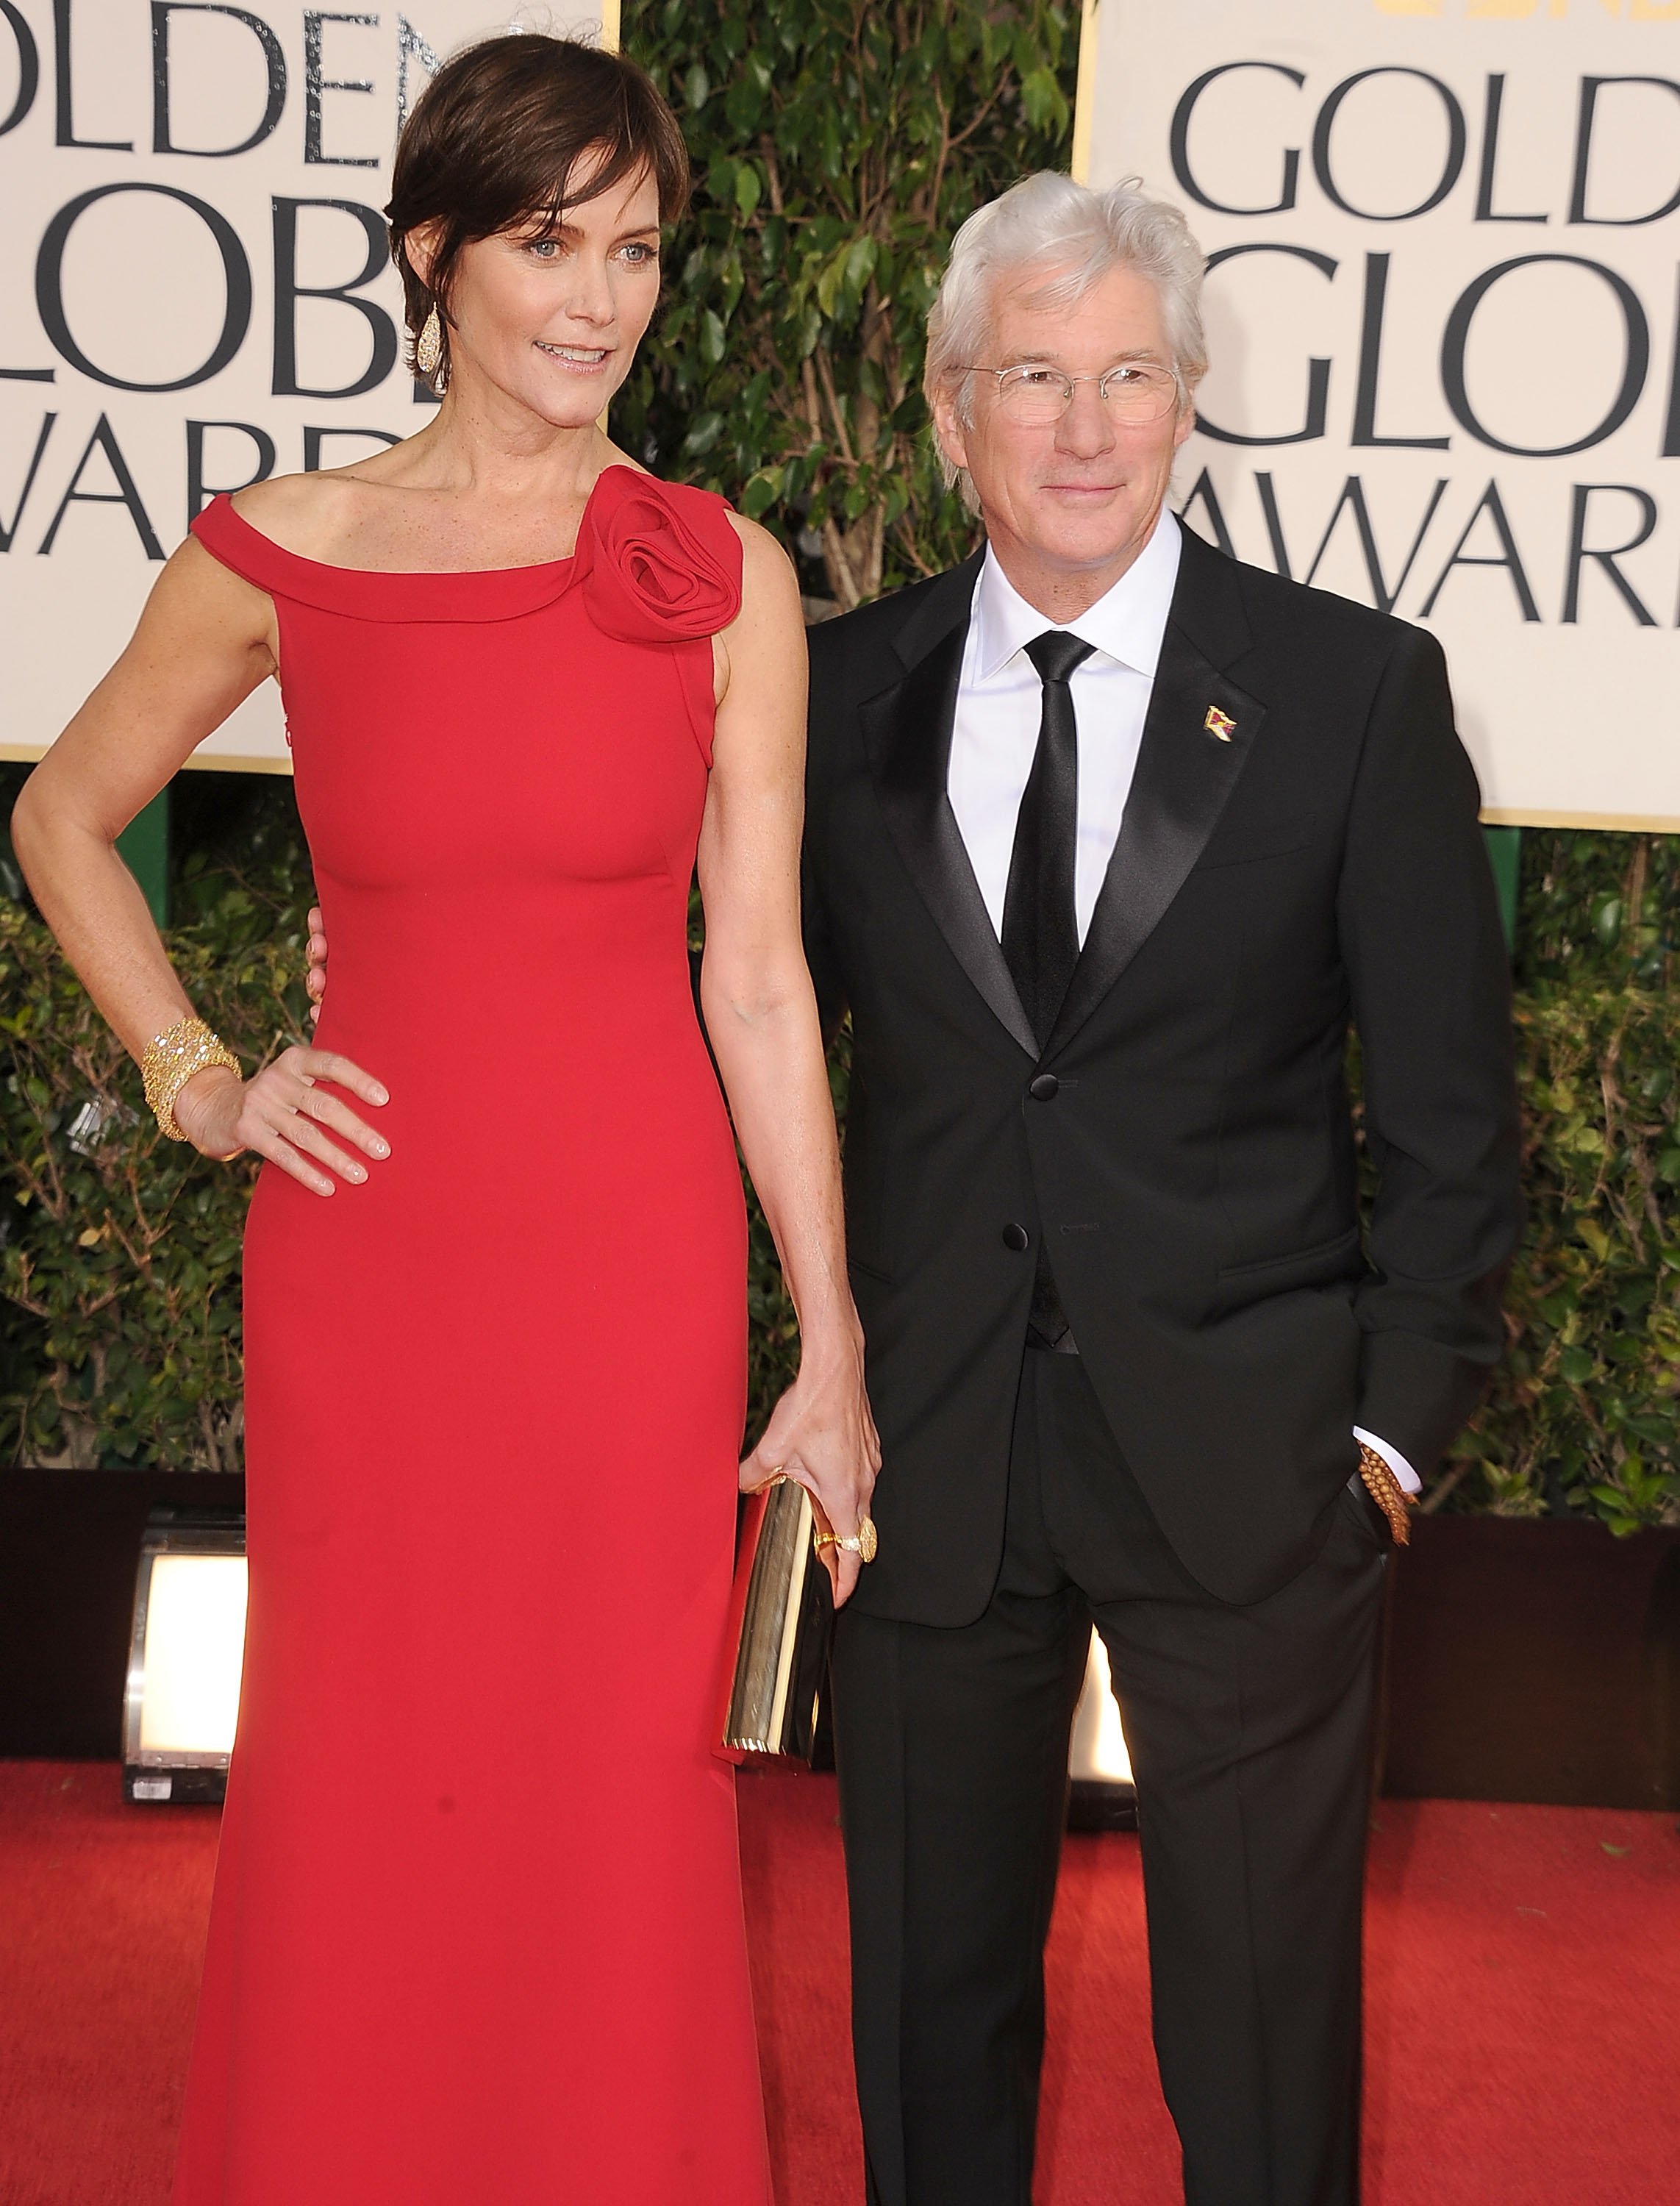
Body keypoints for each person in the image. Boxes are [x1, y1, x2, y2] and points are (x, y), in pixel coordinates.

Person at [12, 34, 877, 2206]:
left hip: (629, 1269)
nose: (599, 300)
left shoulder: (719, 573)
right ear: (433, 253)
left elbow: (755, 977)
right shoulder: (284, 554)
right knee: (365, 1766)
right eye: (545, 242)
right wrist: (203, 1076)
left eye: (640, 251)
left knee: (613, 1781)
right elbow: (68, 818)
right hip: (375, 1261)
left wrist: (831, 1344)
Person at [798, 174, 1521, 2206]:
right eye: (1036, 375)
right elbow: (733, 1030)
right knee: (930, 2026)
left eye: (1130, 373)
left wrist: (1390, 1431)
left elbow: (1458, 1114)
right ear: (953, 411)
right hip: (930, 1457)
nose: (1087, 425)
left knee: (1266, 2030)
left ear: (1188, 400)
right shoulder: (837, 697)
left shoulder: (1353, 691)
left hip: (1259, 1458)